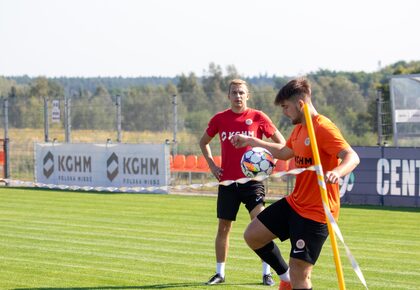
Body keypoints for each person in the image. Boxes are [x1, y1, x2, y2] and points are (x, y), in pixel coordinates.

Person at [230, 77, 360, 290]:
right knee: (252, 235)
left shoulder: (323, 128)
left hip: (317, 211)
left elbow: (352, 156)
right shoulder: (299, 129)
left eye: (286, 107)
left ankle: (292, 279)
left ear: (300, 104)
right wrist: (251, 141)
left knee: (300, 271)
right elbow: (284, 152)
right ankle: (285, 277)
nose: (284, 112)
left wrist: (337, 171)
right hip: (295, 203)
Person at [199, 79, 289, 286]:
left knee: (262, 226)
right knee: (223, 227)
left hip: (253, 182)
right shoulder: (220, 119)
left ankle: (268, 272)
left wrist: (270, 161)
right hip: (228, 183)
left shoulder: (258, 117)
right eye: (234, 93)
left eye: (241, 93)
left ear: (247, 95)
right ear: (228, 96)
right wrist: (212, 166)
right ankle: (219, 273)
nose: (238, 96)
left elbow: (282, 143)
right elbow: (203, 142)